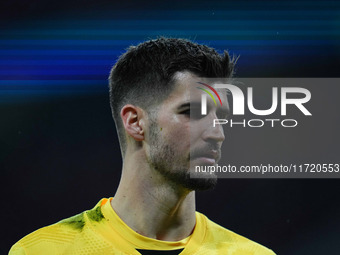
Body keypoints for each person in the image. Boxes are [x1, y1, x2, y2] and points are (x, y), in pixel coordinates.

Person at [9, 38, 275, 255]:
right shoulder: (43, 251)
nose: (218, 133)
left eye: (221, 117)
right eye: (193, 112)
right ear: (135, 122)